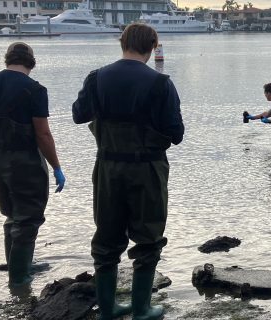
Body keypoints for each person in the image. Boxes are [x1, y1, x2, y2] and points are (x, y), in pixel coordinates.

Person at [72, 24, 184, 320]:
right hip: (147, 169)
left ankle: (107, 310)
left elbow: (77, 115)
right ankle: (142, 309)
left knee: (106, 240)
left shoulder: (96, 78)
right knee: (148, 239)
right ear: (152, 45)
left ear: (122, 43)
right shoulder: (161, 84)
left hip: (107, 167)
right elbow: (176, 133)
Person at [0, 42, 66, 292]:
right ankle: (19, 279)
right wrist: (56, 166)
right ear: (31, 62)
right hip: (25, 162)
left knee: (12, 214)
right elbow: (43, 134)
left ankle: (17, 265)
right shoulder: (34, 90)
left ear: (7, 59)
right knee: (28, 218)